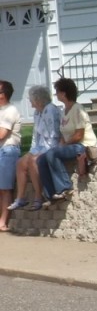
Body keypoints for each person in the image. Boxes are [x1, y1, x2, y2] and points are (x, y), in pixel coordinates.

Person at [41, 77, 97, 205]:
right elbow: (63, 134)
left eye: (57, 91)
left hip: (83, 146)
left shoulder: (78, 109)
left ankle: (65, 187)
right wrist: (61, 145)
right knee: (42, 159)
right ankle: (51, 194)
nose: (56, 94)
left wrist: (62, 146)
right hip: (71, 145)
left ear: (64, 93)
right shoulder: (64, 111)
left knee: (52, 153)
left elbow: (79, 135)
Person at [8, 85, 62, 213]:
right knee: (21, 162)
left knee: (33, 160)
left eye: (31, 100)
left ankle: (39, 196)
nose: (31, 103)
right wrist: (32, 150)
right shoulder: (38, 112)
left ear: (38, 100)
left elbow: (54, 136)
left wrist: (38, 153)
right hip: (40, 146)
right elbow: (35, 135)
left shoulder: (51, 110)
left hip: (51, 147)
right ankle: (20, 198)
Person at [0, 80, 23, 231]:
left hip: (8, 150)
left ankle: (3, 222)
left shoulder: (10, 111)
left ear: (3, 95)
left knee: (5, 188)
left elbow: (2, 134)